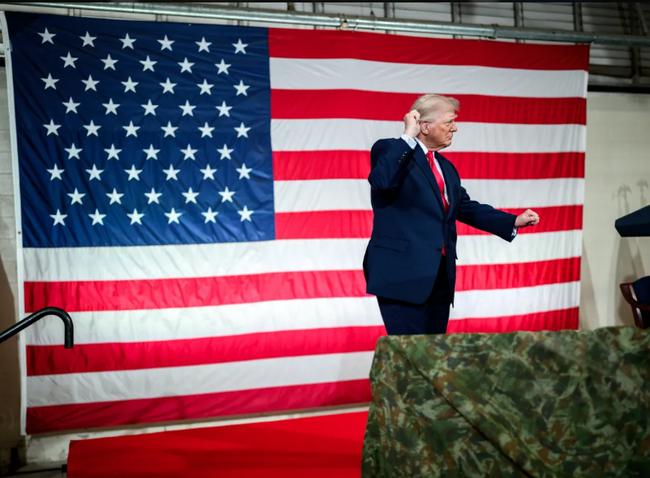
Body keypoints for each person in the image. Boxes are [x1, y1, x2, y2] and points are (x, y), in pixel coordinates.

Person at [363, 94, 540, 335]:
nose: (454, 128)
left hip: (438, 277)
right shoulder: (391, 149)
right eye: (449, 122)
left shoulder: (445, 167)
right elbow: (382, 181)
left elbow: (465, 207)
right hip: (401, 276)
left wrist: (513, 221)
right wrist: (408, 136)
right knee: (409, 353)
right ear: (425, 126)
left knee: (436, 352)